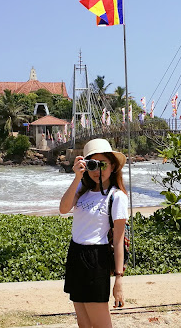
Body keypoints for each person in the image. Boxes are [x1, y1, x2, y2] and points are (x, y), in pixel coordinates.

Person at [59, 138, 129, 327]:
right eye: (92, 165)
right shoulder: (82, 189)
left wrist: (119, 280)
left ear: (113, 166)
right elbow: (63, 209)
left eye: (103, 164)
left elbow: (119, 238)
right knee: (83, 322)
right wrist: (76, 177)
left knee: (100, 324)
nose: (97, 170)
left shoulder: (117, 197)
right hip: (76, 254)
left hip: (96, 259)